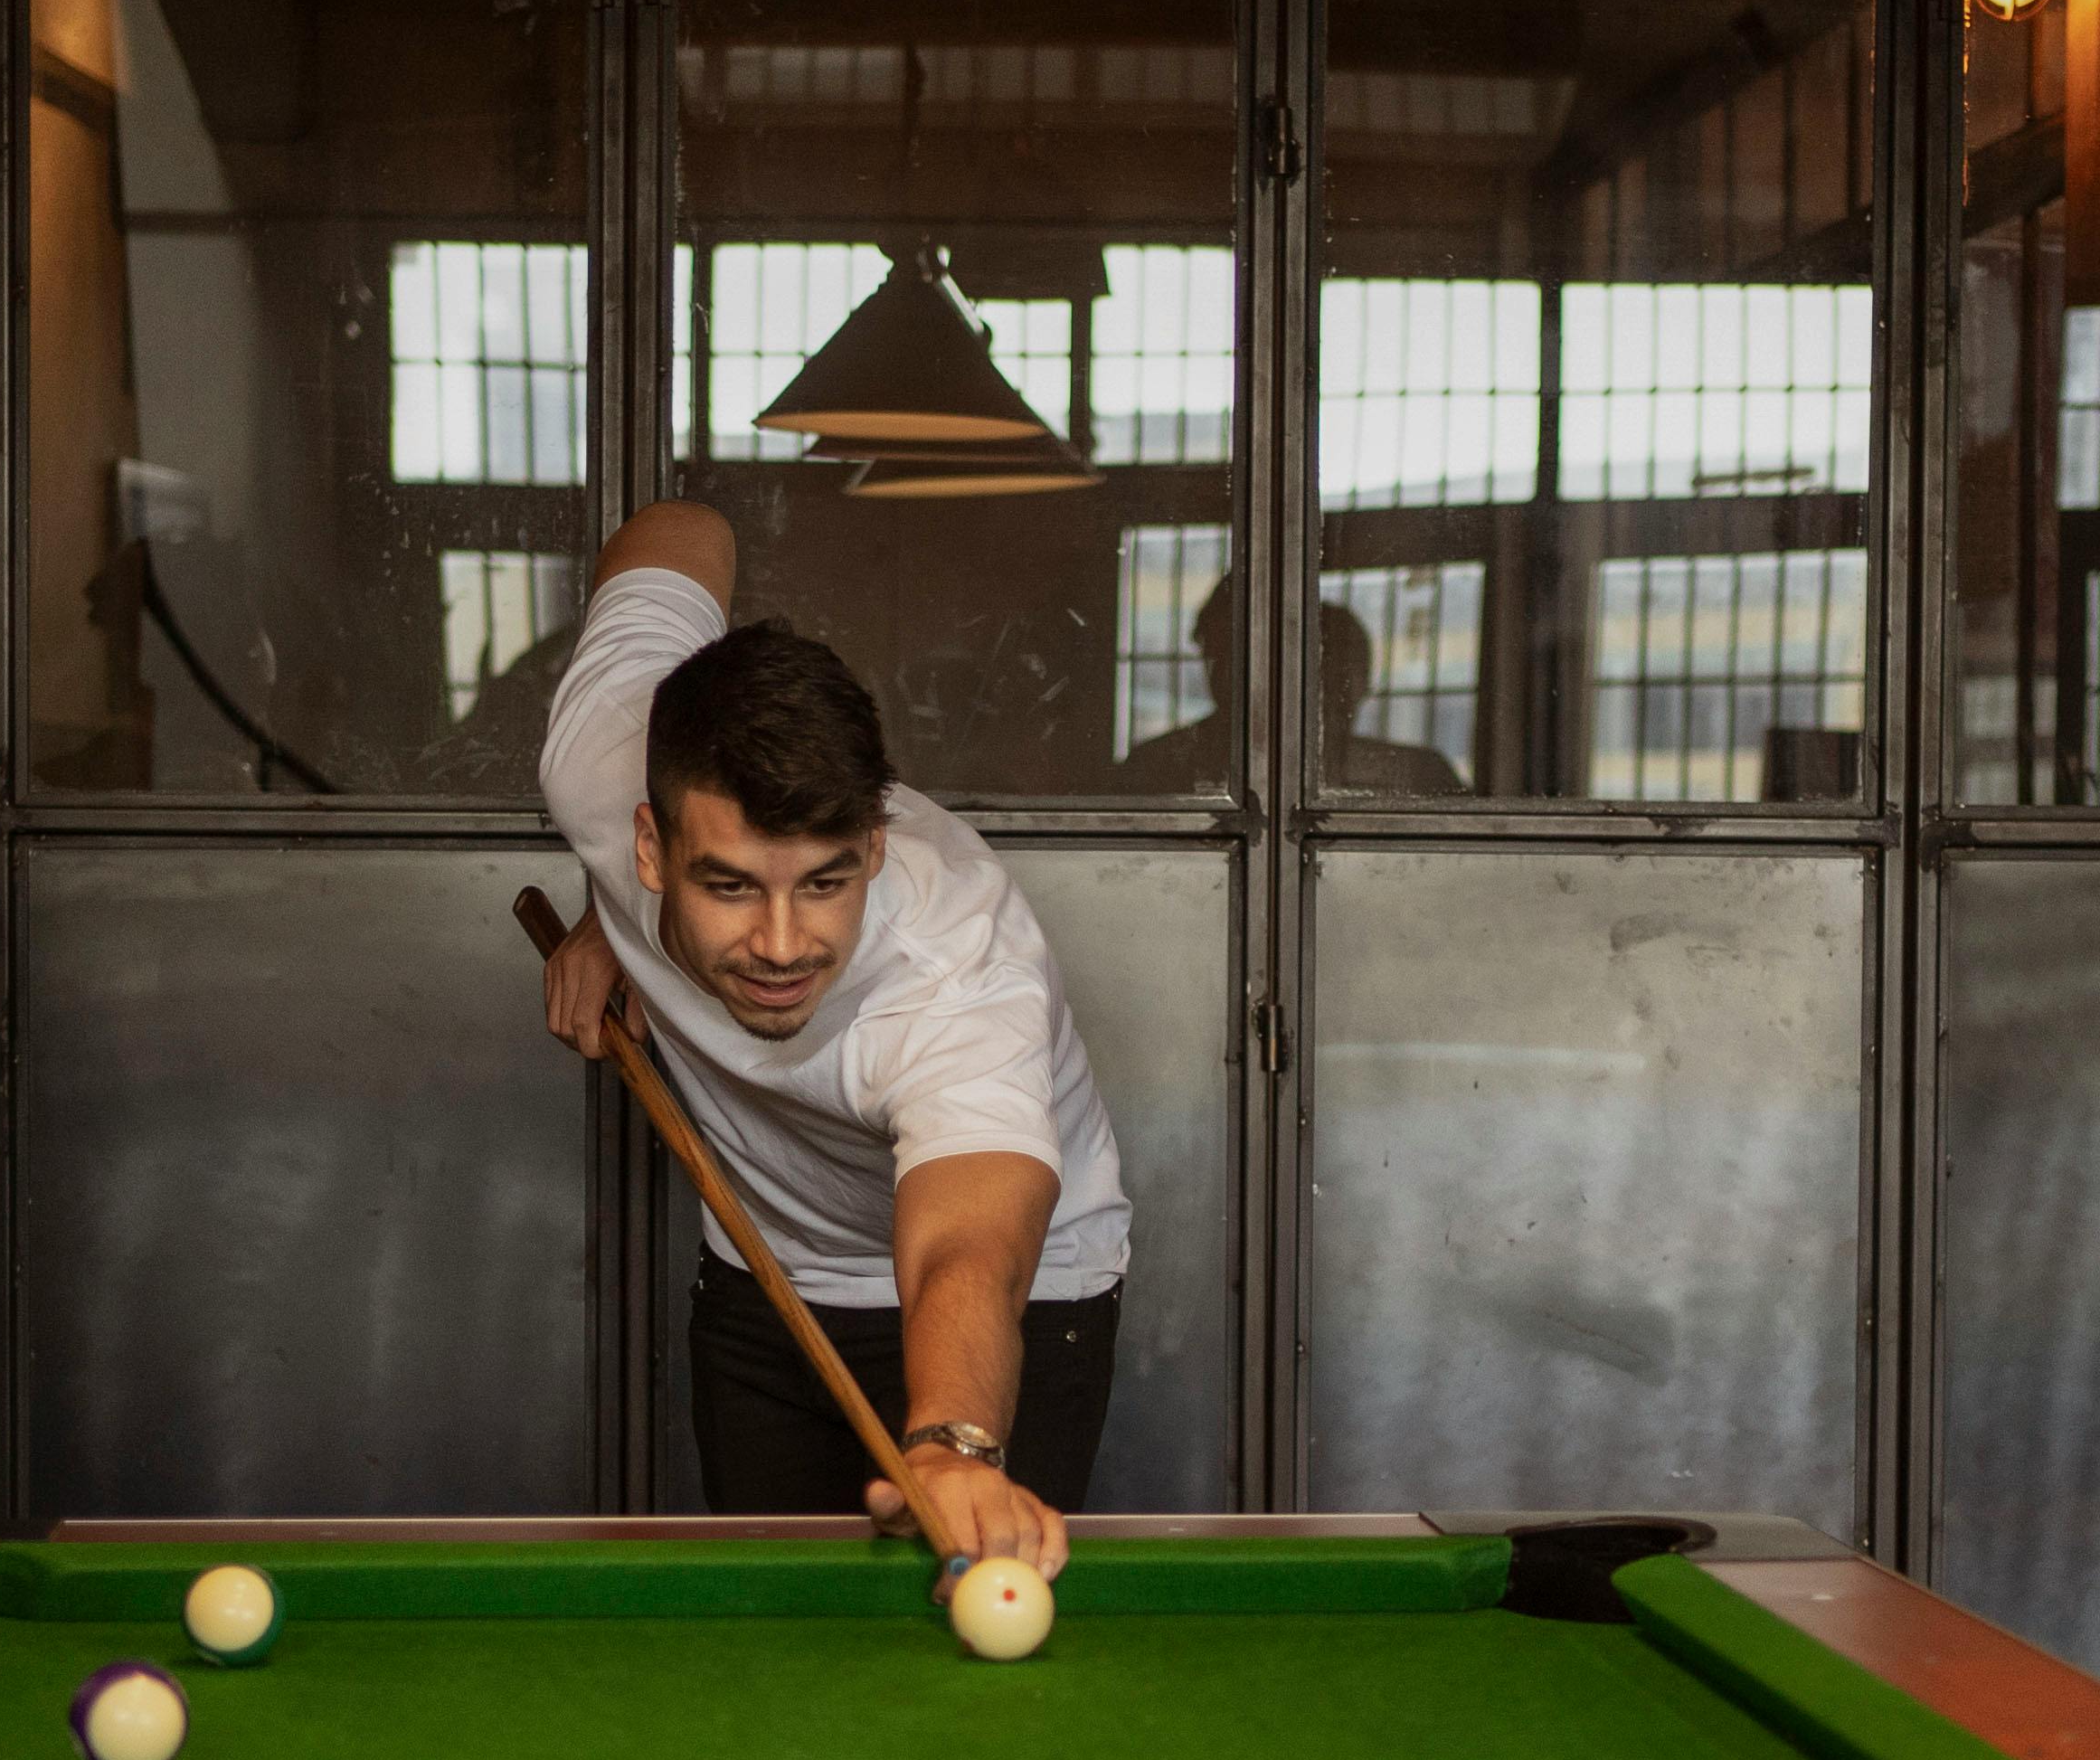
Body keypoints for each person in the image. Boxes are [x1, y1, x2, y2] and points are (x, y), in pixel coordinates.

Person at [537, 503, 1129, 1577]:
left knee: (954, 1611)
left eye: (825, 882)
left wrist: (952, 1442)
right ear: (650, 845)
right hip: (764, 1272)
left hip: (1020, 1291)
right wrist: (609, 919)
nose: (779, 943)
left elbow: (969, 1246)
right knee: (775, 1627)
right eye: (726, 885)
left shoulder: (956, 966)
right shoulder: (594, 761)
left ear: (874, 841)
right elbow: (681, 525)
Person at [1112, 580, 1470, 798]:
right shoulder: (1155, 767)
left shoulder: (1420, 775)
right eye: (1222, 655)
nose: (1336, 693)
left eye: (1343, 676)